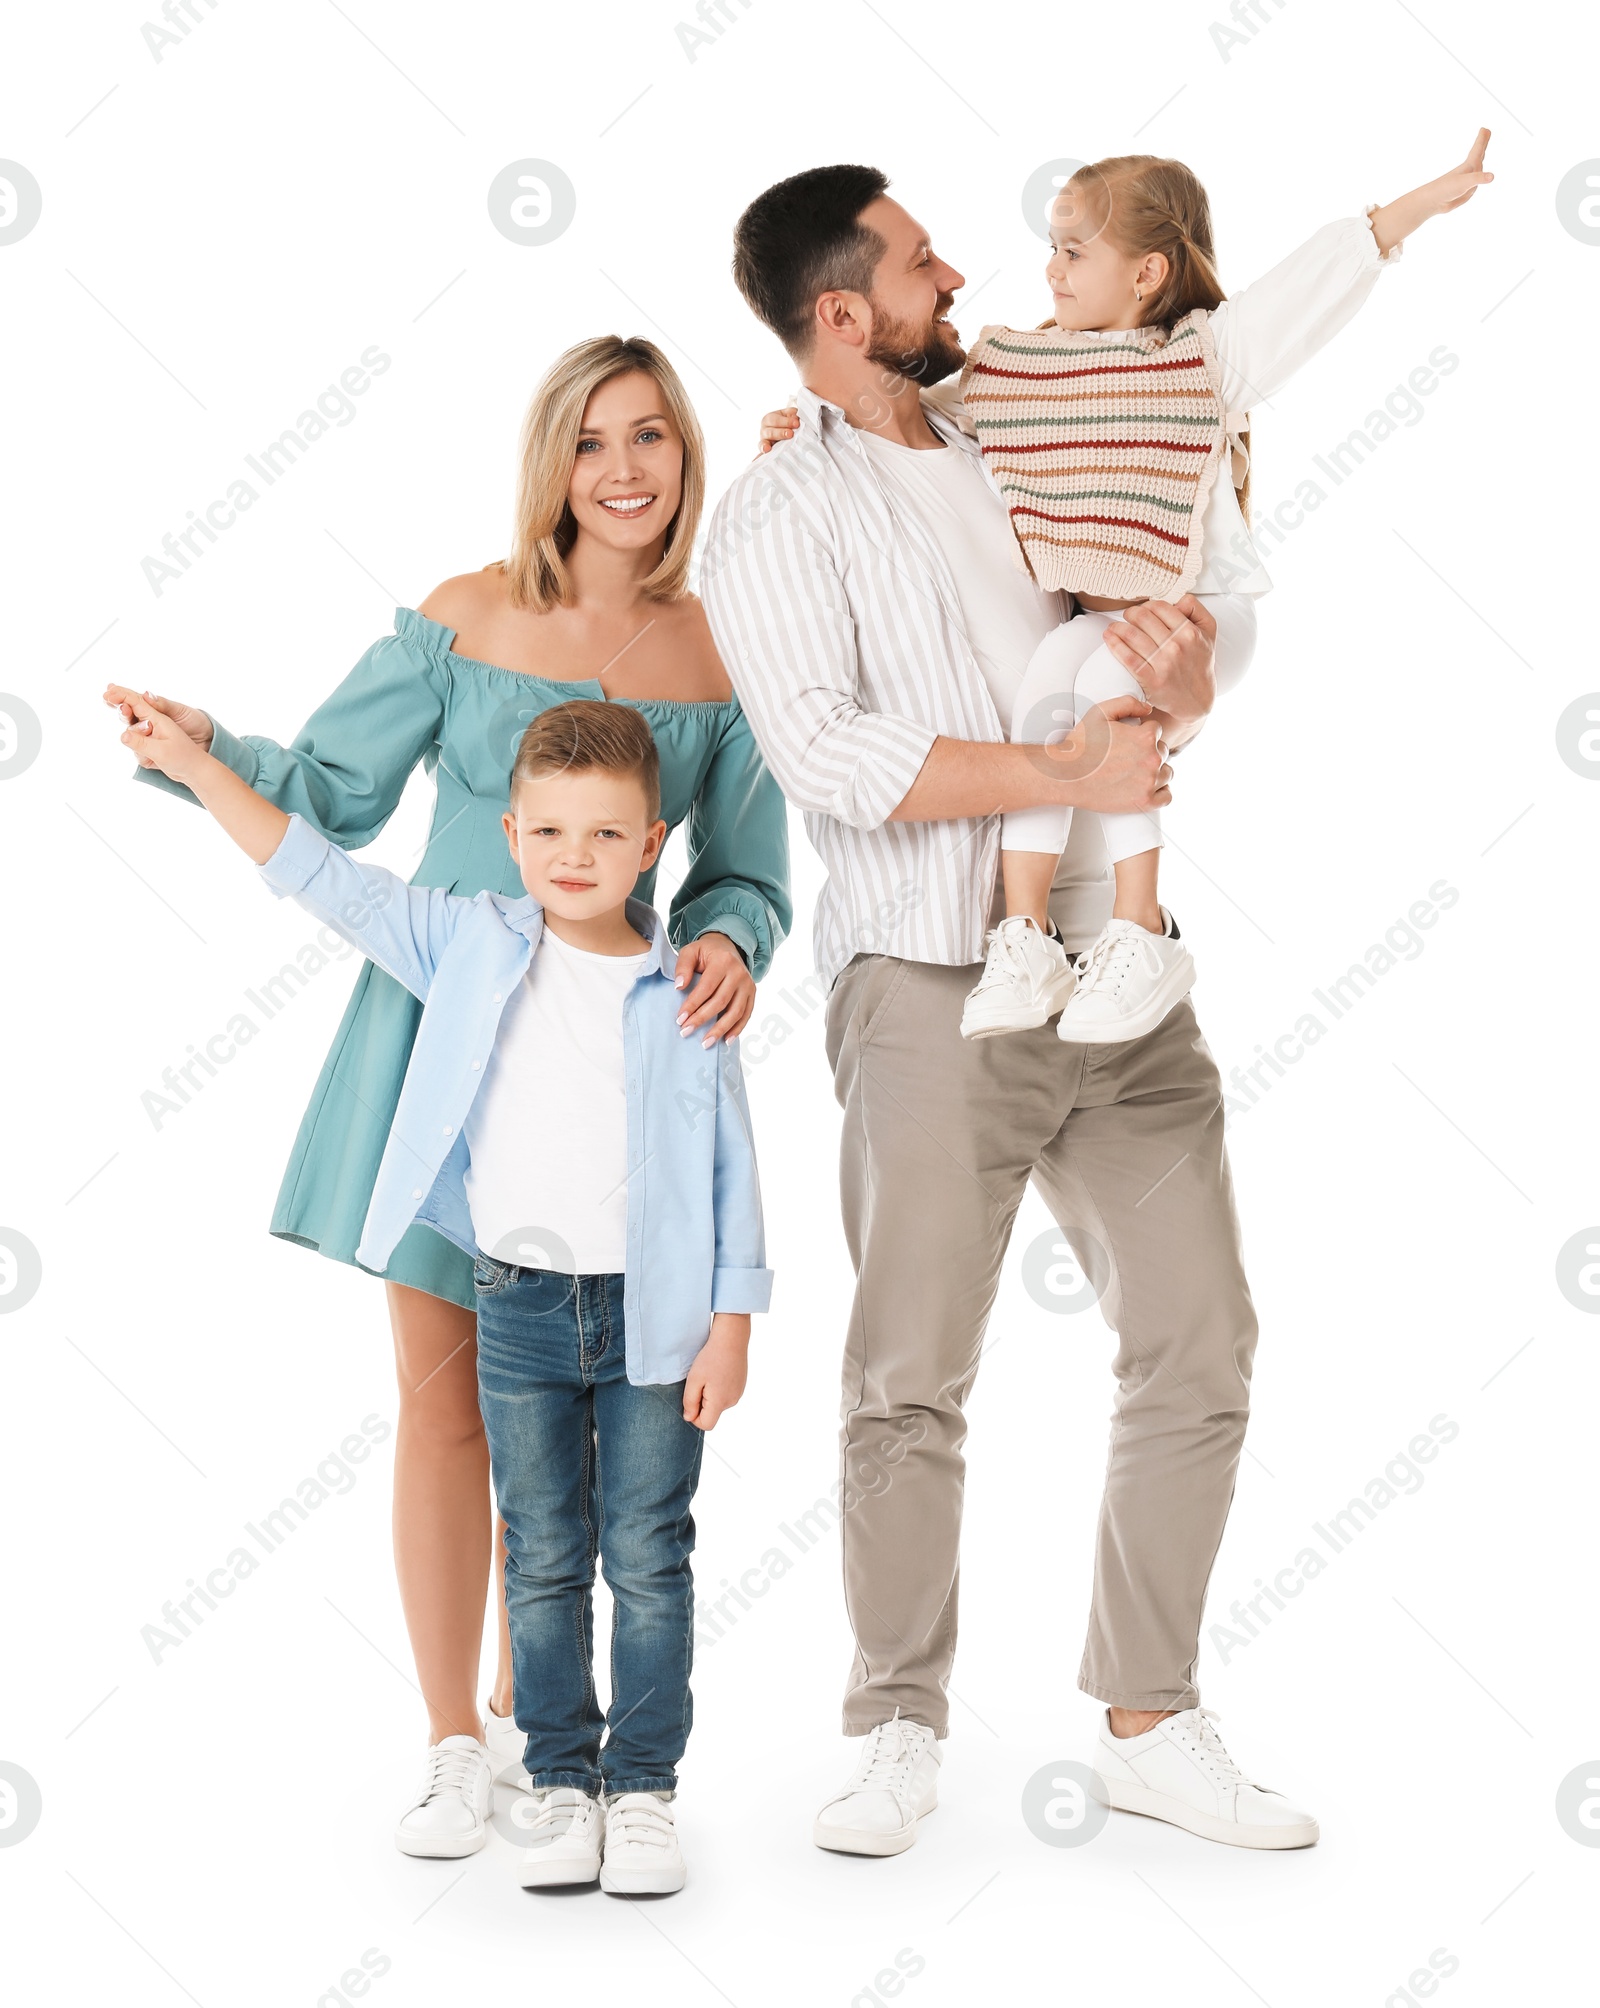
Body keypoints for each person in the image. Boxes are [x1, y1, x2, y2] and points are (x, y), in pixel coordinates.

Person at [105, 336, 790, 1856]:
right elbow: (331, 801)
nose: (625, 471)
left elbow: (744, 871)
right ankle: (452, 1739)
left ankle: (552, 1729)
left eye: (654, 441)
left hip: (613, 1076)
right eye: (595, 442)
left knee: (591, 1426)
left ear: (685, 461)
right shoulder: (464, 615)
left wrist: (733, 939)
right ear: (552, 461)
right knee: (443, 1408)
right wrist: (205, 751)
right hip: (432, 1030)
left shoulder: (718, 659)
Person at [704, 163, 1312, 1858]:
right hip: (926, 982)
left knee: (1201, 1338)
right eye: (917, 259)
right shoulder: (778, 513)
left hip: (1121, 966)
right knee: (912, 1374)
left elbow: (1158, 622)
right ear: (844, 314)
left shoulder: (1020, 423)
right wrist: (1048, 763)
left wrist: (1191, 674)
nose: (959, 267)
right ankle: (896, 1721)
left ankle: (1148, 1714)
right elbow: (827, 754)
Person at [759, 133, 1492, 1046]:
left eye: (1073, 251)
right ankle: (1023, 934)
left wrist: (1403, 214)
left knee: (1100, 692)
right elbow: (919, 413)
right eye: (1054, 247)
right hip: (1103, 651)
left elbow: (1301, 298)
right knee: (1048, 693)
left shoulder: (1201, 358)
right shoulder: (1022, 377)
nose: (1045, 268)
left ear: (1146, 274)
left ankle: (1139, 928)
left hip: (1202, 609)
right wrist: (813, 426)